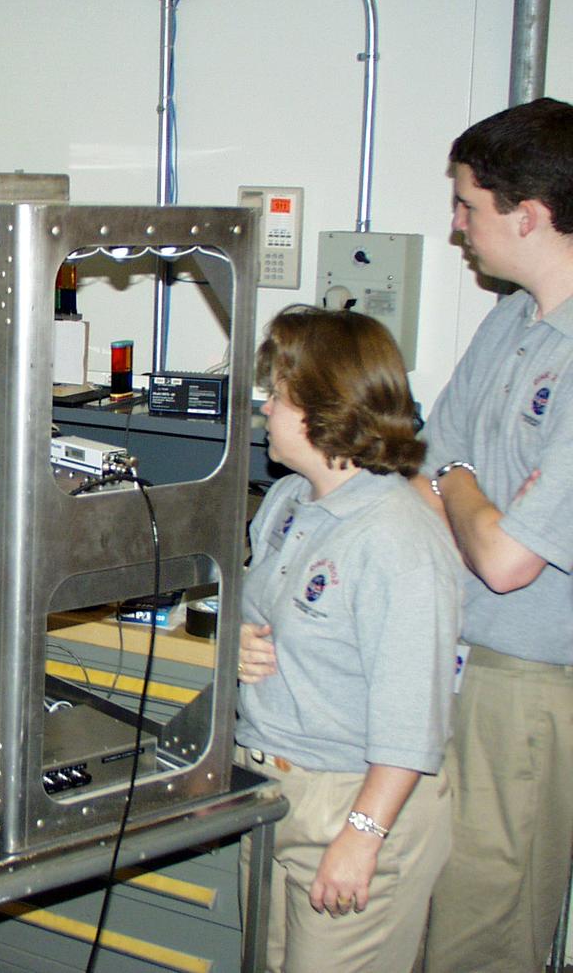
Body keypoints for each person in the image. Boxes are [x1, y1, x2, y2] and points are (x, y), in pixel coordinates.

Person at [236, 306, 461, 973]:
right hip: (271, 788)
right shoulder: (289, 501)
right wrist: (238, 646)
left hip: (355, 801)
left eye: (278, 396)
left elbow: (413, 717)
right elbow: (268, 614)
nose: (266, 409)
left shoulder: (397, 538)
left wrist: (362, 836)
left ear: (322, 409)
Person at [419, 97, 573, 973]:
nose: (456, 225)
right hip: (455, 656)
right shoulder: (511, 320)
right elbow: (426, 470)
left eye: (468, 204)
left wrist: (457, 480)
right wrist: (461, 484)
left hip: (529, 685)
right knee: (431, 906)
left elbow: (510, 561)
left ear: (530, 214)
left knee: (487, 928)